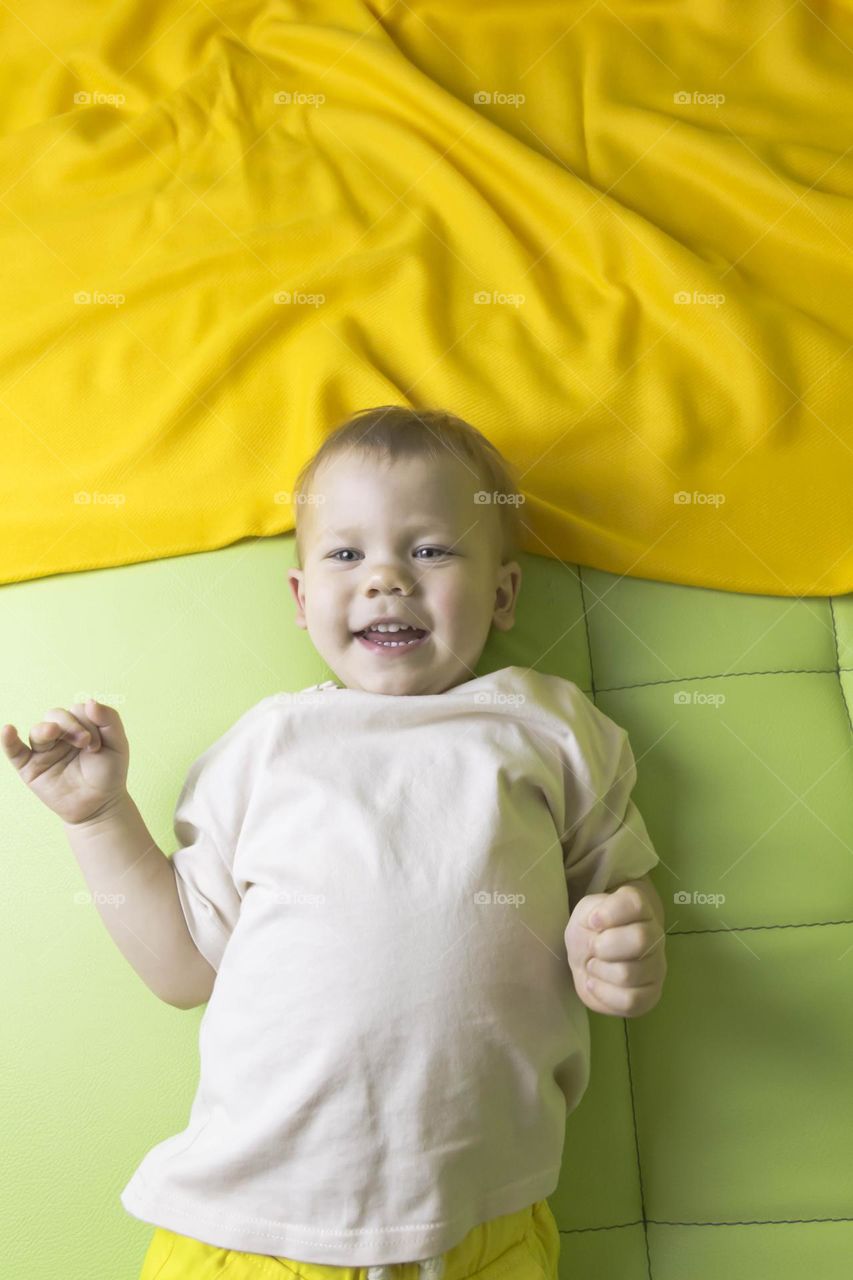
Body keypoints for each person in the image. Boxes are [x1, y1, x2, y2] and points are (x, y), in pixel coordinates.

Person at [1, 405, 667, 1280]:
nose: (387, 578)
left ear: (504, 593)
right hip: (256, 1223)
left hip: (482, 1224)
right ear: (301, 596)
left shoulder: (545, 727)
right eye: (347, 555)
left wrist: (625, 945)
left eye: (430, 549)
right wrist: (99, 818)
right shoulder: (266, 747)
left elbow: (619, 892)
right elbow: (184, 971)